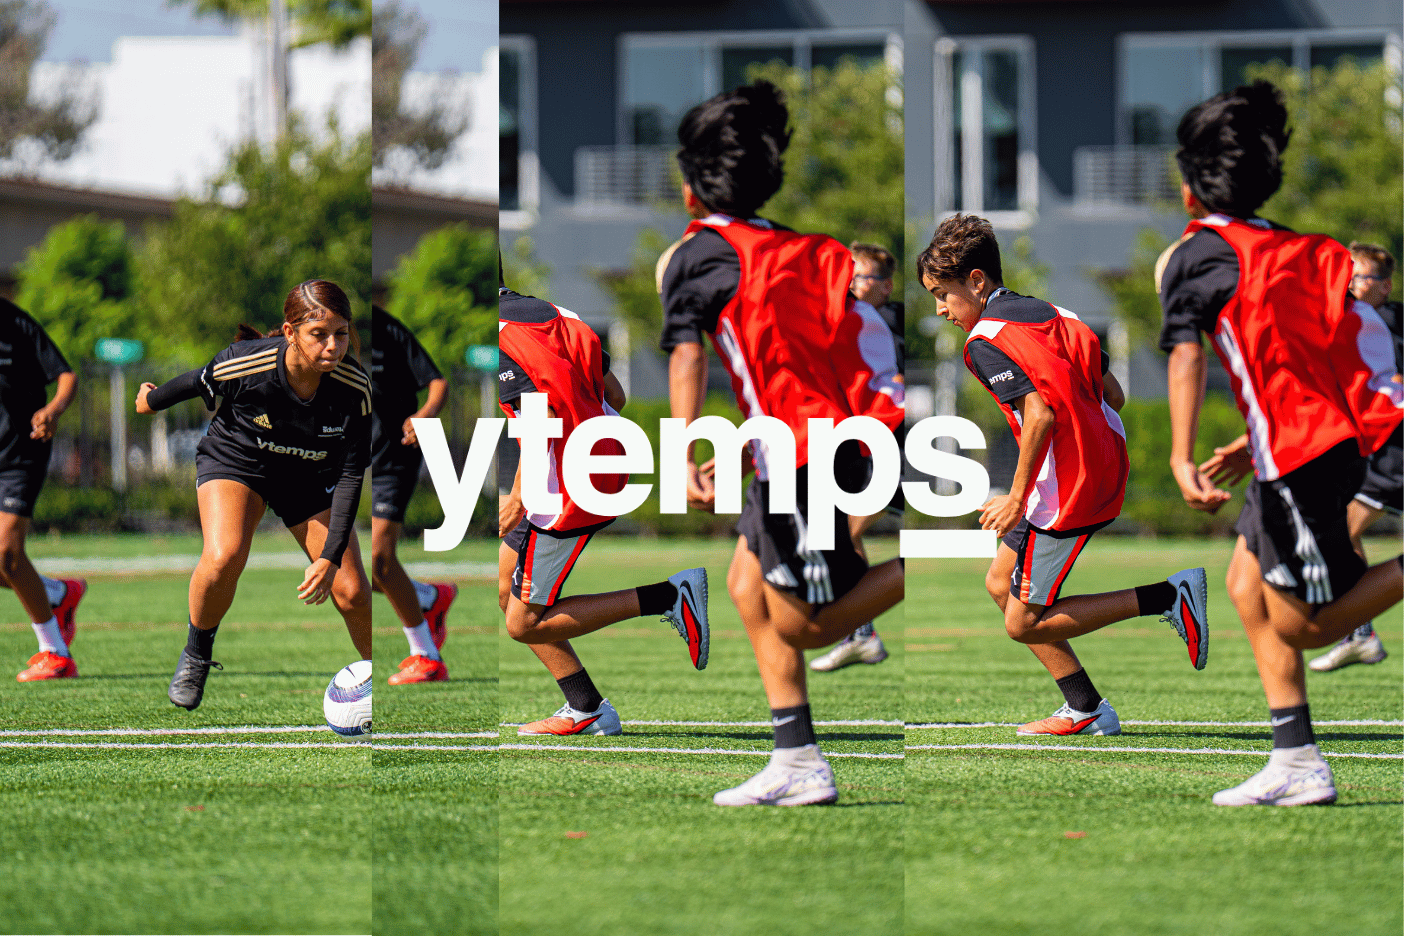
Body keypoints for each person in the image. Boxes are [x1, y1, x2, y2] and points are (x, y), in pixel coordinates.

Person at [659, 81, 905, 806]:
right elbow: (803, 367)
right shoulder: (817, 252)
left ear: (689, 191)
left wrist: (682, 448)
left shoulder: (696, 255)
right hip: (829, 442)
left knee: (804, 624)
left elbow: (687, 357)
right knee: (743, 586)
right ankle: (796, 759)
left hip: (807, 457)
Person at [1157, 81, 1403, 806]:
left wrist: (1180, 455)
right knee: (1242, 586)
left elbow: (1185, 355)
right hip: (1314, 443)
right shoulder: (1316, 252)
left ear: (1188, 192)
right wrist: (1245, 442)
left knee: (1305, 623)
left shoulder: (1194, 255)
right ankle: (1295, 761)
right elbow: (1316, 364)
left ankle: (1300, 762)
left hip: (1301, 454)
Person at [918, 214, 1208, 738]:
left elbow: (1041, 416)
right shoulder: (1056, 313)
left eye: (943, 294)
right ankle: (1085, 708)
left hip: (1064, 488)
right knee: (998, 585)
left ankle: (1170, 597)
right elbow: (1113, 395)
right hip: (1099, 461)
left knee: (1022, 621)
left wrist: (1016, 495)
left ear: (977, 281)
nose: (940, 308)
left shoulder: (985, 341)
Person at [136, 280, 373, 710]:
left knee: (353, 591)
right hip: (238, 460)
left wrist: (330, 555)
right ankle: (196, 653)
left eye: (341, 333)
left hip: (306, 472)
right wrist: (150, 402)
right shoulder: (246, 365)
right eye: (319, 334)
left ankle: (377, 684)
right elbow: (195, 381)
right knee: (224, 554)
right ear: (289, 333)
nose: (333, 346)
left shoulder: (354, 388)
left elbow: (352, 474)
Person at [498, 280, 709, 737]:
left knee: (522, 623)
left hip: (565, 488)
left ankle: (670, 596)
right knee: (505, 586)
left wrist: (517, 497)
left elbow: (540, 422)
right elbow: (616, 395)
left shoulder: (502, 334)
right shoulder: (560, 312)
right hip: (603, 458)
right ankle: (585, 707)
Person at [808, 242, 905, 674]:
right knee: (841, 538)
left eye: (859, 276)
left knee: (838, 539)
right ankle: (860, 631)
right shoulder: (859, 316)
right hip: (865, 442)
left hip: (880, 442)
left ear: (884, 286)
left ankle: (859, 630)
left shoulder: (871, 319)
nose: (849, 283)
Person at [1307, 242, 1400, 672]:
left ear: (1384, 285)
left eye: (1360, 276)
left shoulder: (1389, 322)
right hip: (1378, 447)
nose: (1351, 283)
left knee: (1340, 531)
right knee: (1341, 531)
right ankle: (1358, 630)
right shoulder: (1344, 317)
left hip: (1394, 445)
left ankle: (1358, 629)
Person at [369, 306, 458, 685]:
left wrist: (425, 415)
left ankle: (426, 657)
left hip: (394, 453)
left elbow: (437, 381)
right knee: (368, 577)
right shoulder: (322, 327)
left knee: (380, 562)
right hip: (350, 456)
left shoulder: (385, 327)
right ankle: (428, 597)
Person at [0, 298, 86, 681]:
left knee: (5, 552)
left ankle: (55, 652)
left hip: (21, 452)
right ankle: (56, 593)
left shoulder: (15, 322)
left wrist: (52, 411)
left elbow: (66, 375)